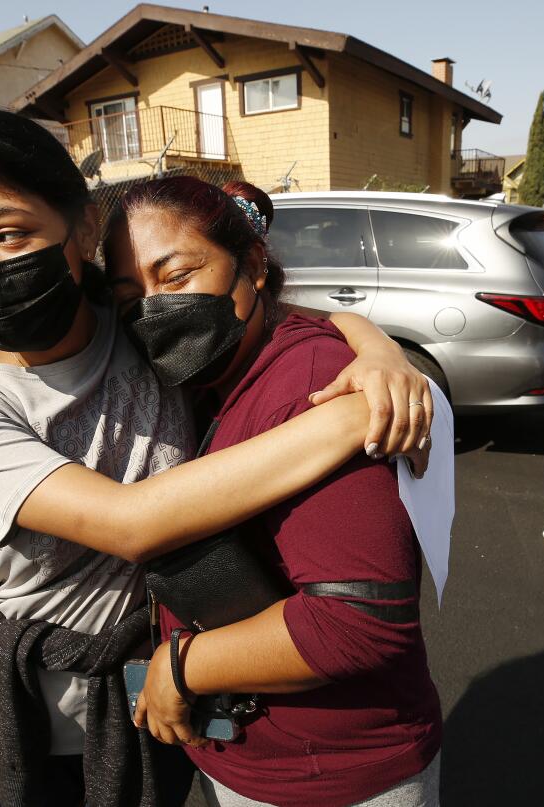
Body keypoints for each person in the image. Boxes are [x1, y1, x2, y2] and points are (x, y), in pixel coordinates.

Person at [0, 107, 433, 806]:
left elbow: (265, 311)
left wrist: (376, 344)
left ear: (83, 228)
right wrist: (353, 415)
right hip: (17, 714)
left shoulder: (136, 325)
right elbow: (130, 522)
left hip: (148, 704)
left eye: (9, 233)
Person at [92, 176, 448, 807]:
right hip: (256, 753)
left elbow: (358, 623)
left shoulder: (313, 389)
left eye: (177, 275)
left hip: (335, 775)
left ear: (253, 265)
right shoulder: (206, 374)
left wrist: (183, 667)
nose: (152, 308)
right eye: (130, 296)